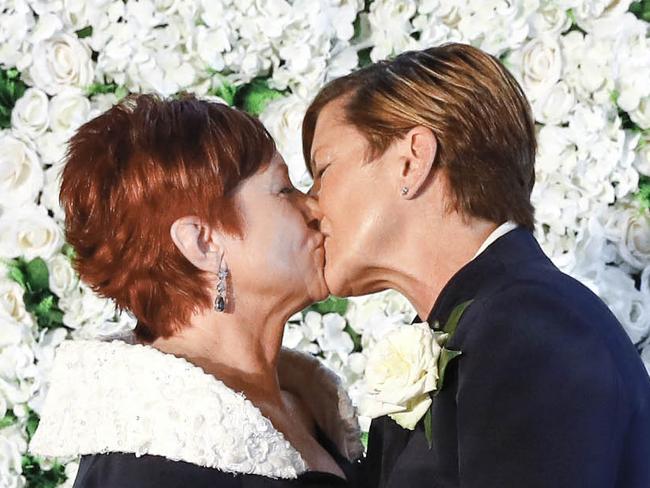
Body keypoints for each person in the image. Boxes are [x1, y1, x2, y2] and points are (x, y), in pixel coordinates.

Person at [302, 43, 650, 487]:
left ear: (411, 162)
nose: (310, 205)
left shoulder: (529, 326)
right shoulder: (479, 323)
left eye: (323, 170)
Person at [29, 93, 363, 487]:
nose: (314, 208)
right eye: (284, 189)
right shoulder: (143, 464)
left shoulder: (304, 403)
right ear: (202, 242)